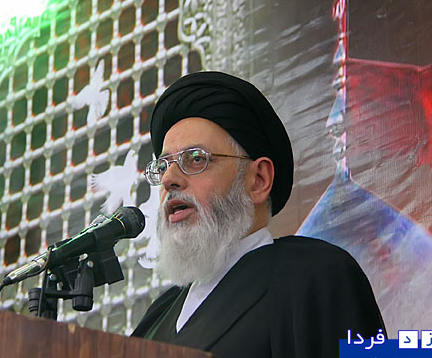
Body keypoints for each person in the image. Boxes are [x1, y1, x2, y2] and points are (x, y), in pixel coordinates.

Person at [131, 71, 386, 357]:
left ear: (258, 180)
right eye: (163, 166)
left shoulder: (316, 276)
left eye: (196, 159)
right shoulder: (157, 317)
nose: (169, 179)